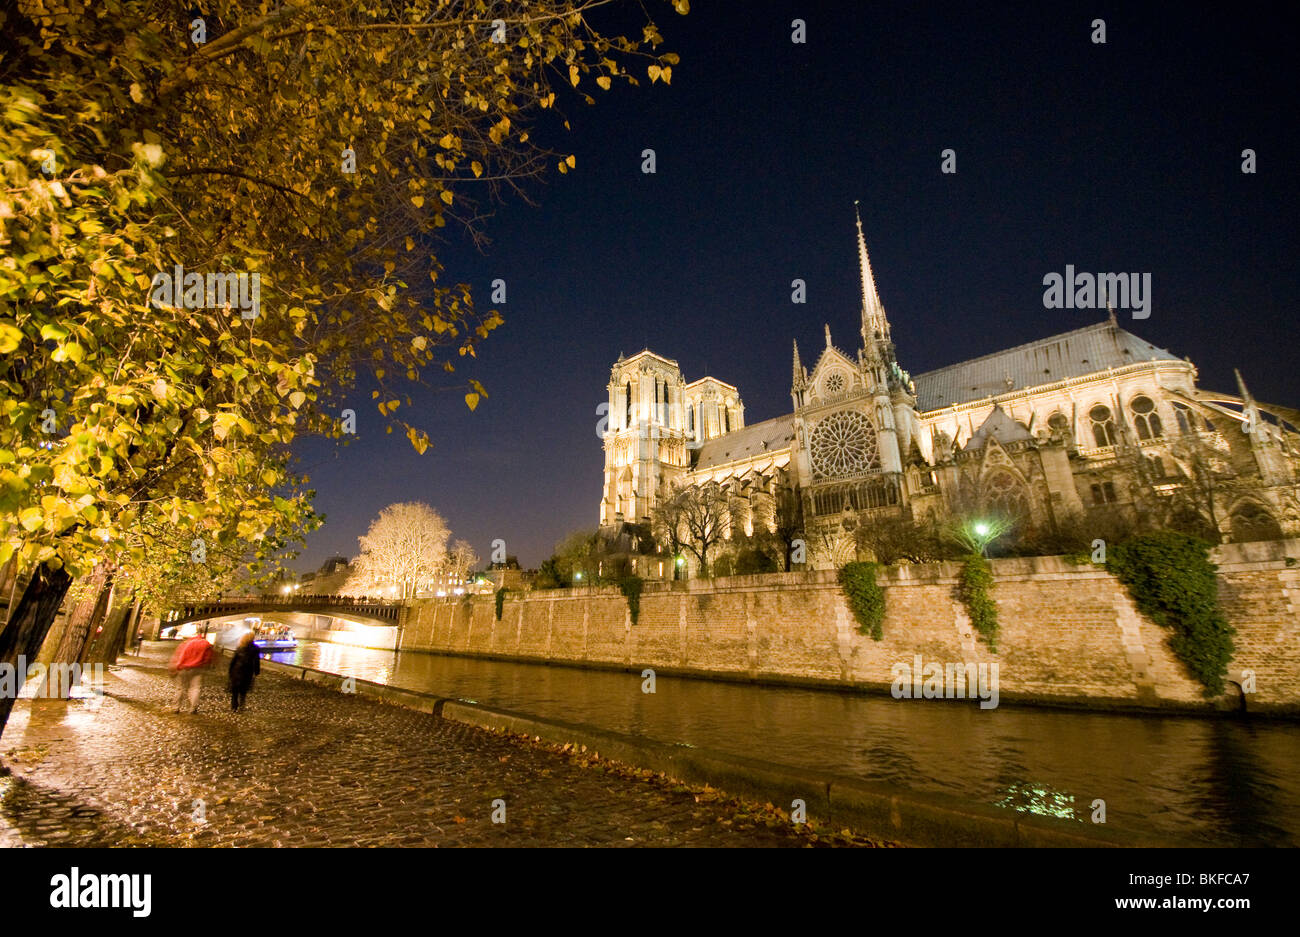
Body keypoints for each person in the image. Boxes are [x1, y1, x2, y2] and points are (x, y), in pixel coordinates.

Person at [168, 633, 214, 713]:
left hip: (183, 668)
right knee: (196, 688)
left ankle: (176, 707)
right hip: (198, 669)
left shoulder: (186, 643)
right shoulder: (206, 645)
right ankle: (193, 708)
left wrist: (176, 667)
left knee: (180, 688)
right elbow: (208, 659)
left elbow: (178, 655)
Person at [228, 631, 261, 712]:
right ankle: (241, 706)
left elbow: (233, 660)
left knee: (235, 691)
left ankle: (234, 707)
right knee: (243, 691)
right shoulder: (256, 648)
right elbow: (256, 661)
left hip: (236, 671)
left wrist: (230, 671)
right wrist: (257, 672)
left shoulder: (240, 647)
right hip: (247, 672)